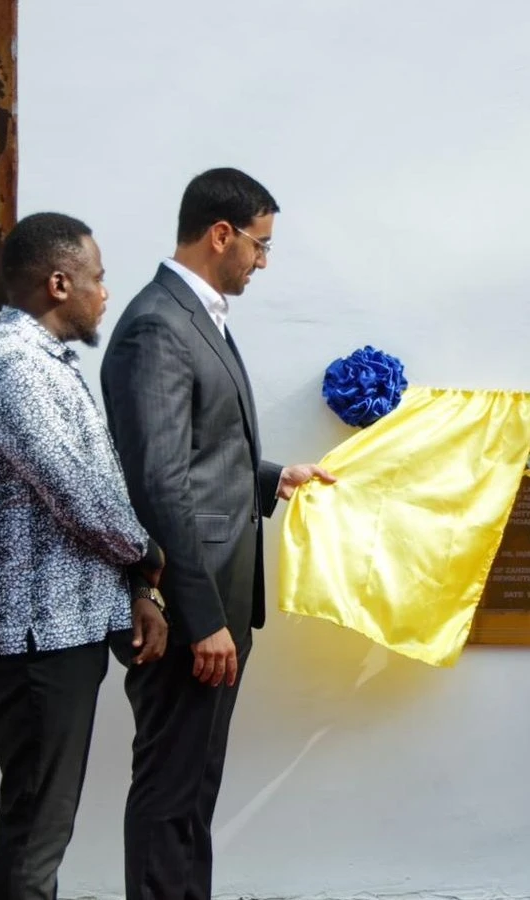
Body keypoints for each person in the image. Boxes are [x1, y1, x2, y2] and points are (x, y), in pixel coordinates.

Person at [100, 168, 330, 900]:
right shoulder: (156, 327)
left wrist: (271, 479)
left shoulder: (192, 316)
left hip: (218, 599)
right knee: (172, 792)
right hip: (190, 612)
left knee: (193, 791)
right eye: (259, 246)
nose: (263, 262)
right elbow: (156, 480)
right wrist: (201, 619)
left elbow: (199, 455)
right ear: (220, 234)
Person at [0, 213, 167, 900]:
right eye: (97, 278)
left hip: (61, 627)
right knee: (36, 828)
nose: (105, 292)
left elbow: (92, 482)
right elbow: (75, 491)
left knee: (41, 822)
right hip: (33, 634)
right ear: (58, 282)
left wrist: (134, 583)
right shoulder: (13, 365)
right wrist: (148, 554)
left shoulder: (44, 361)